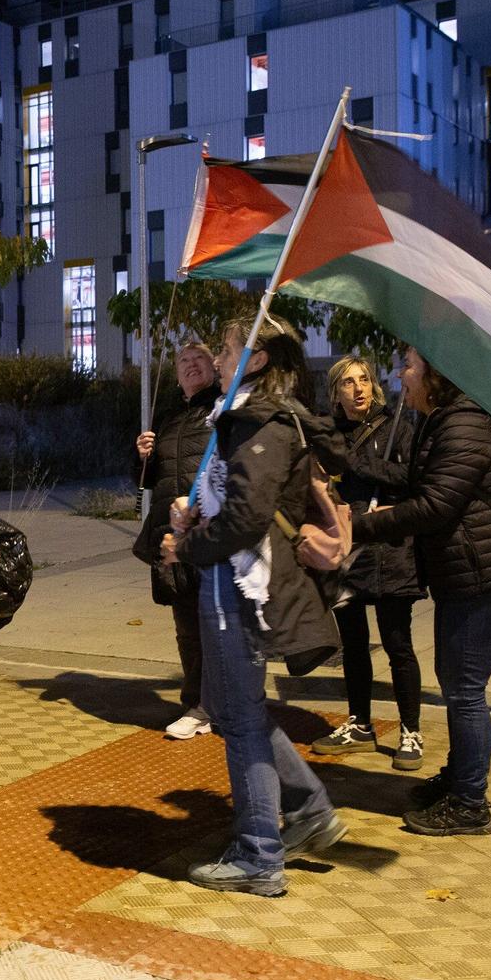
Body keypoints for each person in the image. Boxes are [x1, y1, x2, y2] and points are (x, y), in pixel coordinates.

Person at [162, 315, 345, 897]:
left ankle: (259, 855)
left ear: (257, 360)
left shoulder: (262, 420)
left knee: (238, 720)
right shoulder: (239, 417)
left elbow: (246, 519)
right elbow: (232, 503)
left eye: (227, 348)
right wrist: (190, 517)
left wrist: (187, 545)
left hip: (241, 586)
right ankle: (308, 809)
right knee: (240, 713)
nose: (217, 357)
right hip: (231, 581)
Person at [351, 347, 491, 836]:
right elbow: (422, 484)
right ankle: (459, 779)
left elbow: (435, 505)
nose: (400, 374)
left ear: (437, 374)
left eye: (409, 366)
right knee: (457, 684)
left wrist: (362, 527)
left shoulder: (465, 425)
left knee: (465, 691)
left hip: (485, 576)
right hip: (465, 574)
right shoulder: (445, 419)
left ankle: (470, 804)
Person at [312, 357, 426, 770]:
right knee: (354, 645)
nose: (358, 388)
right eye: (348, 382)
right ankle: (360, 723)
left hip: (391, 551)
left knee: (398, 645)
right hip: (348, 554)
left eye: (364, 380)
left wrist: (357, 464)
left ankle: (410, 730)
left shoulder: (396, 425)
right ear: (336, 392)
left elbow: (414, 478)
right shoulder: (329, 435)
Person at [132, 341, 221, 740]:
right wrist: (141, 456)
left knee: (218, 624)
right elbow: (148, 481)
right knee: (187, 626)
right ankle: (197, 704)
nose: (190, 366)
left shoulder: (223, 409)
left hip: (211, 535)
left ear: (214, 367)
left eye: (198, 359)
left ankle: (218, 702)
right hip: (172, 535)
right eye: (183, 361)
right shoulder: (168, 419)